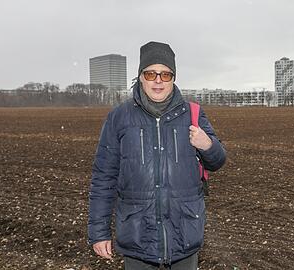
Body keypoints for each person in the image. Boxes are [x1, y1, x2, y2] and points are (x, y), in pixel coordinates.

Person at [88, 41, 226, 269]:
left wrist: (207, 145)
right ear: (140, 77)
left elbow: (218, 161)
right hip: (137, 236)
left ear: (174, 78)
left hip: (184, 234)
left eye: (165, 74)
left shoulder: (193, 114)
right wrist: (98, 231)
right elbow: (104, 177)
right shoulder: (119, 118)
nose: (158, 81)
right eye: (151, 74)